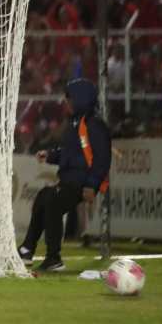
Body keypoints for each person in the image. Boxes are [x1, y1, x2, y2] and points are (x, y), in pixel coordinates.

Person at [18, 79, 112, 272]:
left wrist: (92, 185)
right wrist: (50, 156)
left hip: (82, 182)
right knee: (45, 197)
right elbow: (69, 153)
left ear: (80, 100)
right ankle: (27, 249)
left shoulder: (95, 125)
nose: (66, 102)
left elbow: (102, 158)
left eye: (69, 99)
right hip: (70, 180)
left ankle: (52, 258)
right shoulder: (75, 124)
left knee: (51, 201)